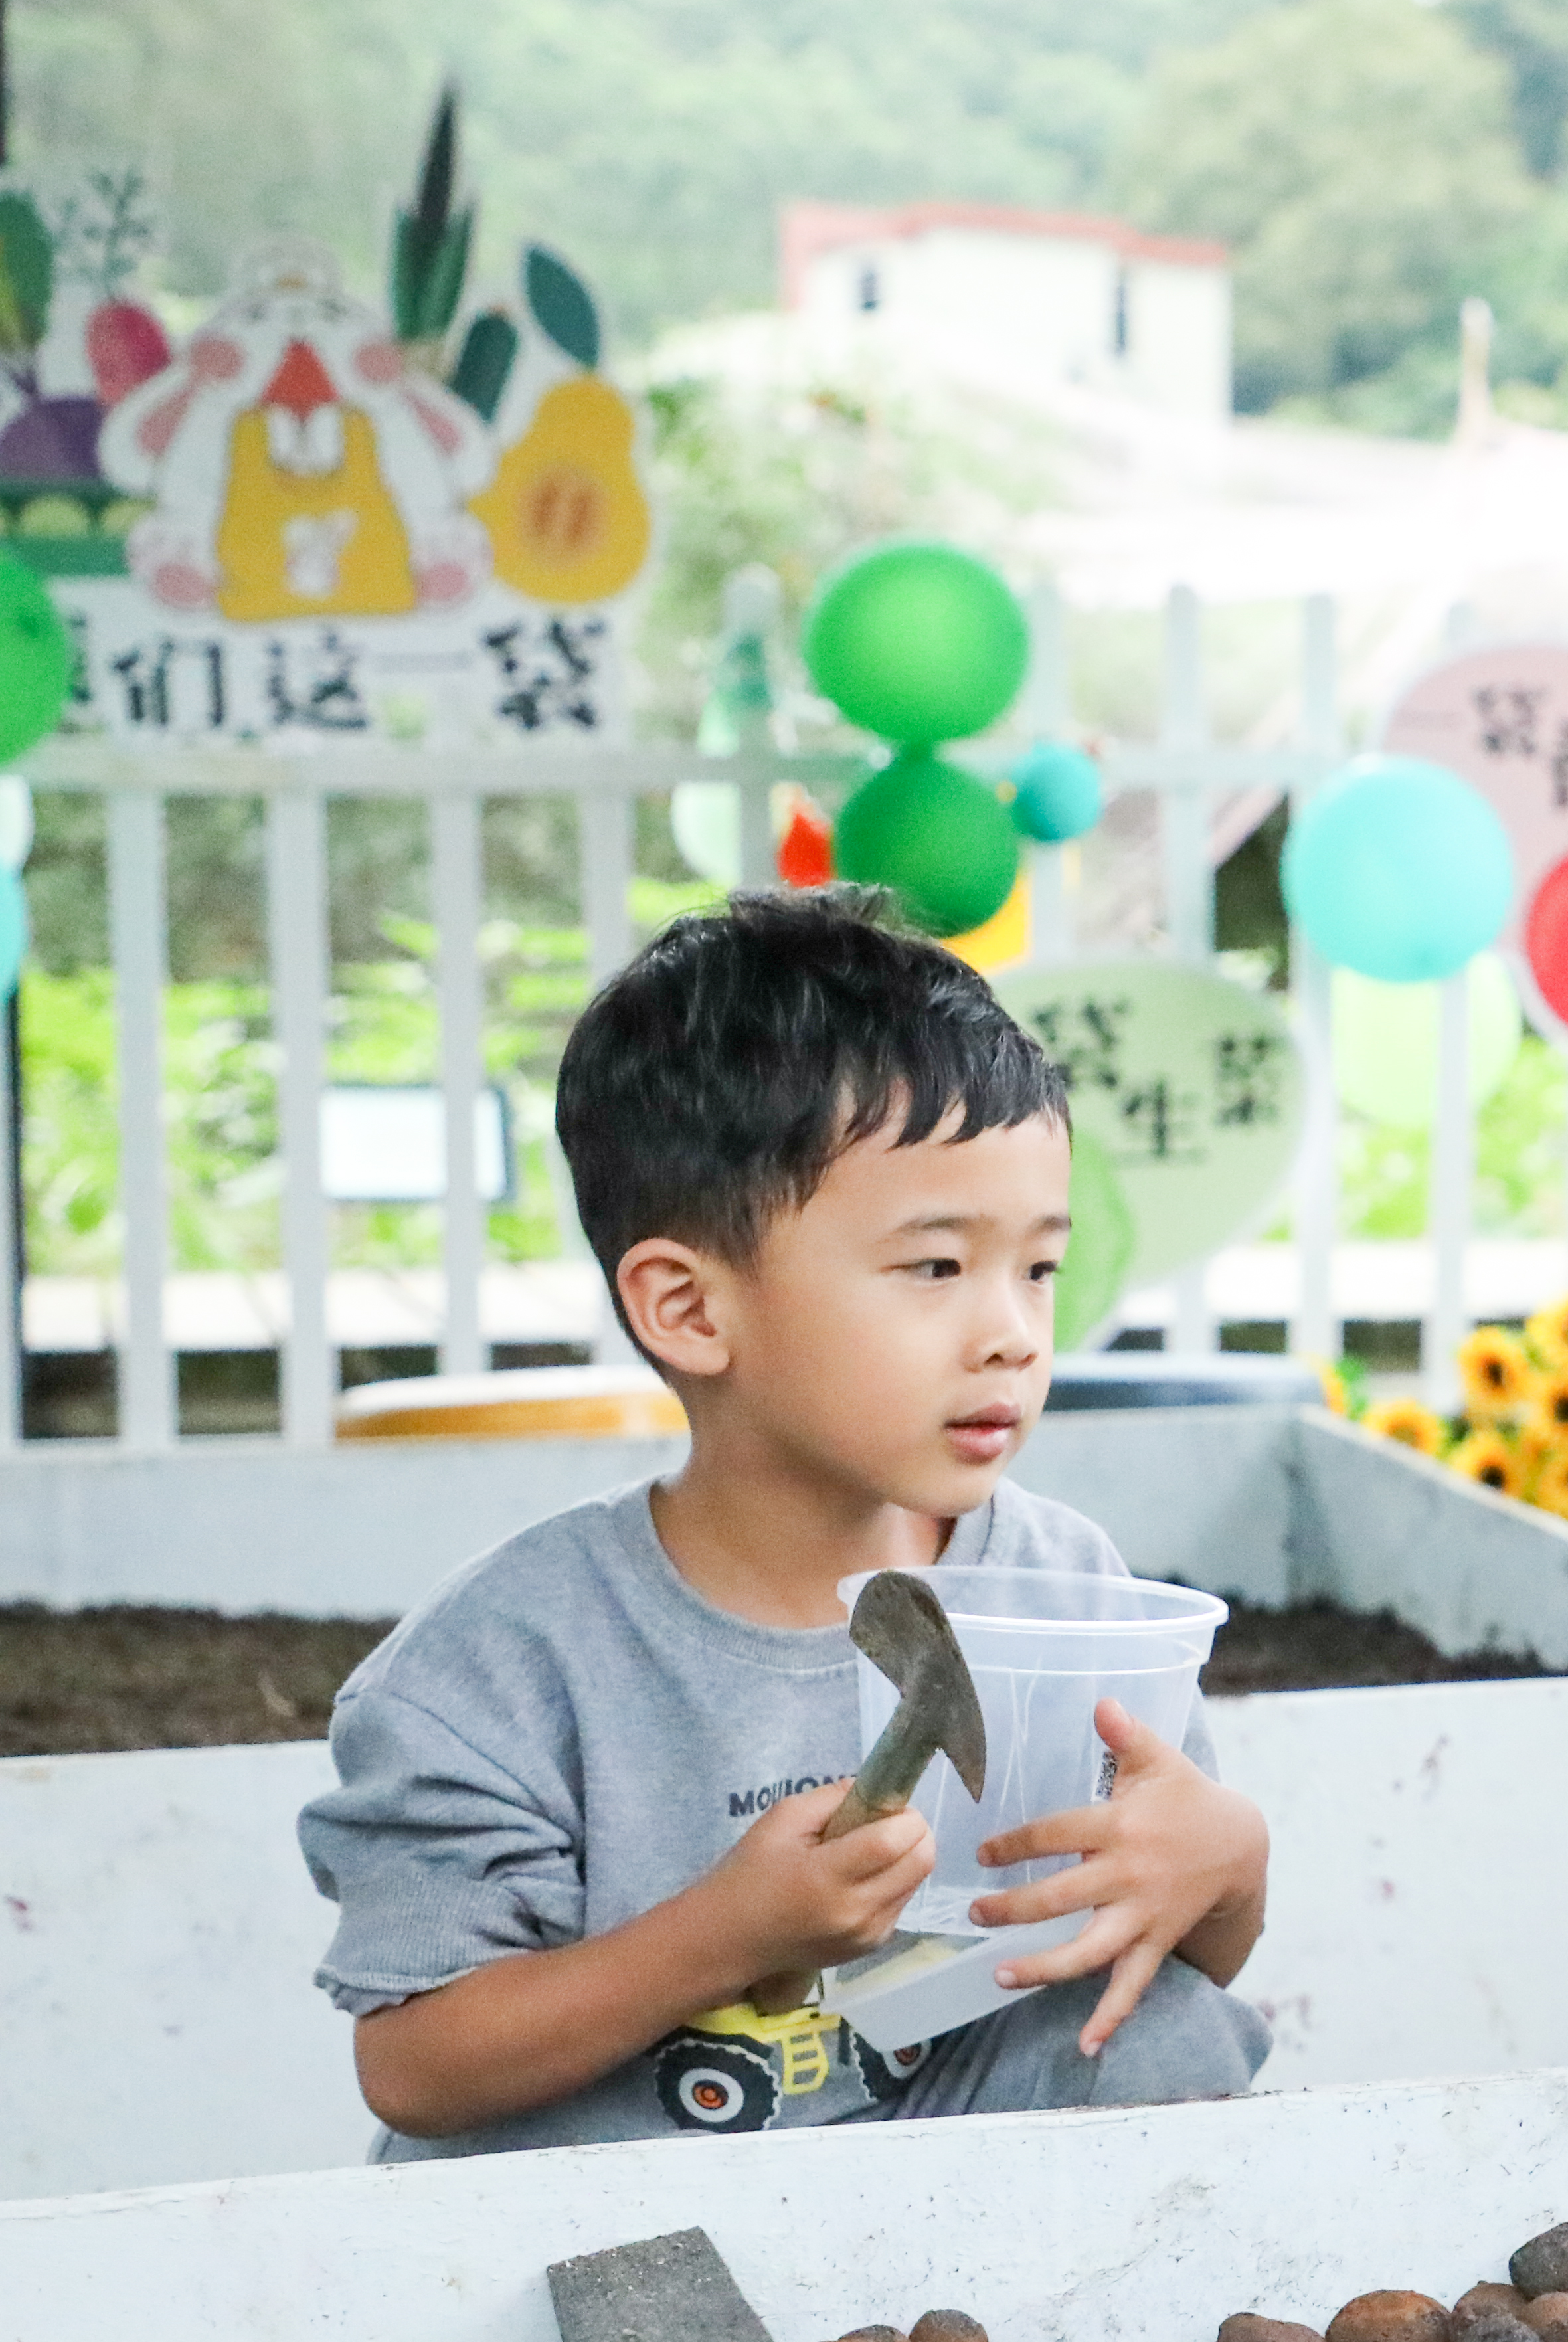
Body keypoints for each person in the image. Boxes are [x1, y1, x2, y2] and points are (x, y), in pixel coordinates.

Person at [300, 891, 1274, 2157]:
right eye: (936, 1267)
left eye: (1037, 1266)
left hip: (957, 2242)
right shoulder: (505, 1664)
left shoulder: (1064, 1590)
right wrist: (728, 1935)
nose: (1013, 1331)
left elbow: (1170, 1939)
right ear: (691, 1311)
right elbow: (417, 2067)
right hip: (634, 2259)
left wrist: (1228, 1862)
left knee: (1165, 2030)